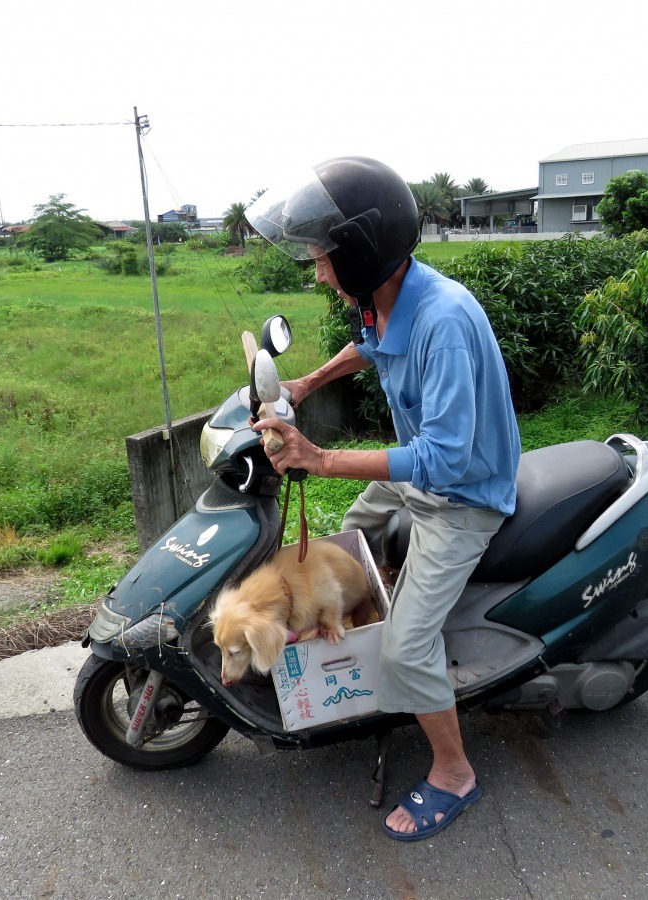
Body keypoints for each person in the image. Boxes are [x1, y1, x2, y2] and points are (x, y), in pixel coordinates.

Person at [246, 156, 521, 841]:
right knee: (352, 535)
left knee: (405, 649)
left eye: (322, 258)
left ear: (361, 254)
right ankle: (368, 633)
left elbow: (445, 458)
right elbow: (369, 346)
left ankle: (454, 771)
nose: (318, 272)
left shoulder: (443, 322)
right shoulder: (391, 297)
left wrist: (320, 459)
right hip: (423, 477)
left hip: (463, 495)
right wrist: (306, 384)